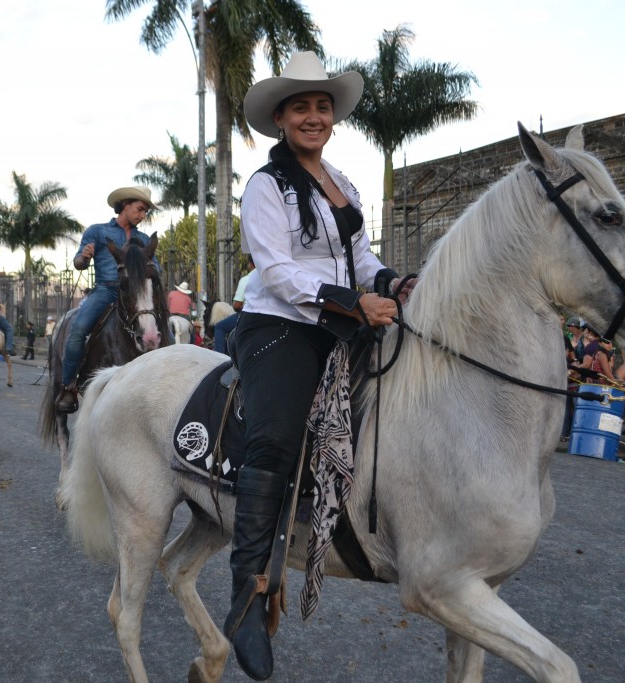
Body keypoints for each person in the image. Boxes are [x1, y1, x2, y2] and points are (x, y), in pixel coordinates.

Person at [225, 52, 414, 681]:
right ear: (281, 118)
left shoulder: (343, 183)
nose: (314, 116)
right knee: (275, 439)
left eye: (322, 106)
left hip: (342, 321)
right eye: (301, 107)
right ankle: (247, 597)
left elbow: (360, 256)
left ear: (333, 116)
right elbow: (275, 269)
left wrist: (392, 282)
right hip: (280, 325)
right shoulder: (265, 185)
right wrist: (351, 302)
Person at [55, 185, 158, 414]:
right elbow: (78, 263)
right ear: (125, 205)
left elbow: (155, 269)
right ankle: (68, 386)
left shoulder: (143, 239)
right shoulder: (98, 232)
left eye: (145, 212)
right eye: (140, 209)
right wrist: (84, 257)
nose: (142, 215)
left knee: (164, 329)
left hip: (134, 293)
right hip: (106, 290)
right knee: (78, 330)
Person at [214, 256, 256, 354]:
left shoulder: (246, 279)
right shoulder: (269, 277)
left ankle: (219, 356)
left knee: (219, 327)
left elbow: (237, 305)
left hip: (249, 315)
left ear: (250, 264)